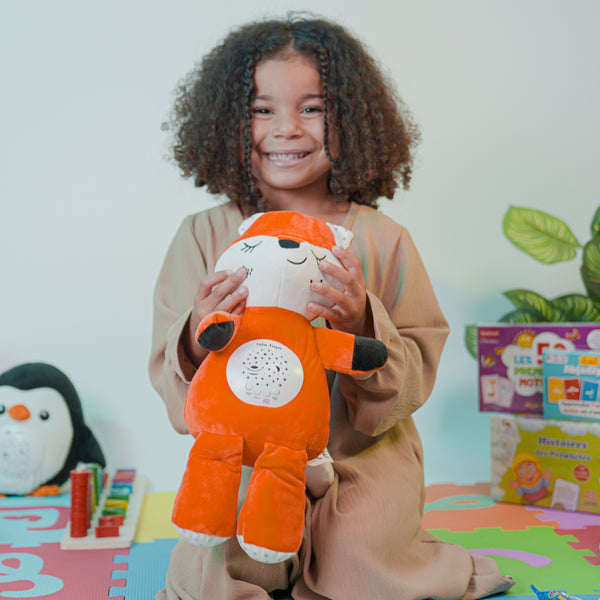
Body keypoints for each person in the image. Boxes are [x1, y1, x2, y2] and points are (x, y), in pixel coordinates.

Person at [149, 15, 515, 600]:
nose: (287, 129)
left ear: (352, 119)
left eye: (313, 108)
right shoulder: (203, 235)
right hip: (246, 454)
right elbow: (173, 374)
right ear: (227, 122)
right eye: (262, 109)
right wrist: (198, 331)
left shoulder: (383, 239)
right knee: (217, 570)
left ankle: (369, 551)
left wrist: (359, 319)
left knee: (361, 563)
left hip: (362, 457)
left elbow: (416, 364)